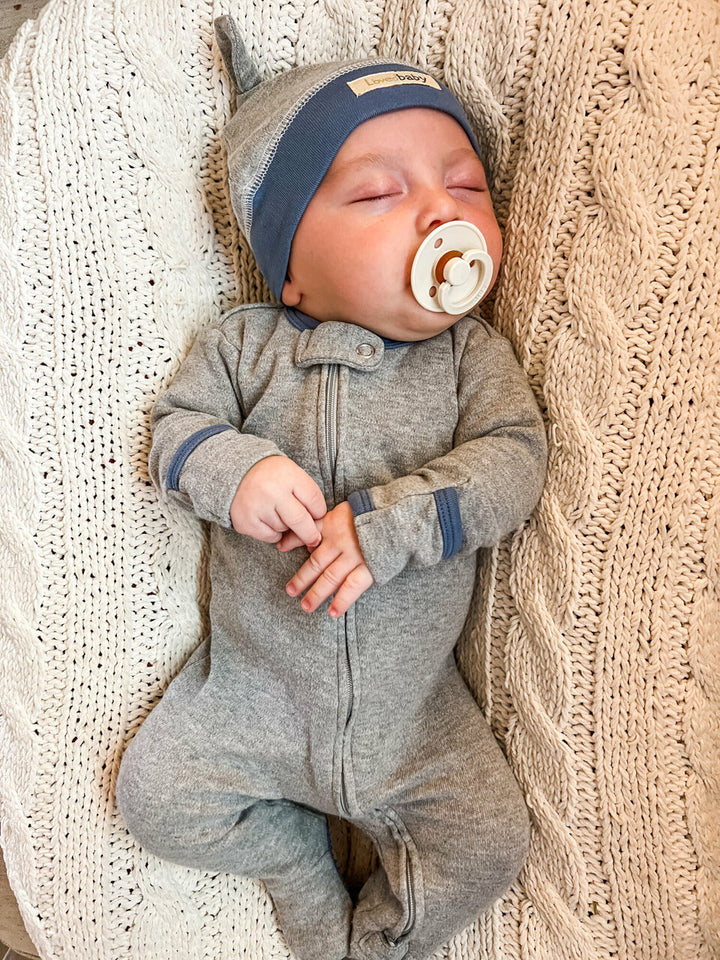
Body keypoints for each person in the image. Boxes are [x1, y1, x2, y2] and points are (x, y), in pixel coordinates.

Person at [116, 16, 547, 960]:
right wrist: (238, 472)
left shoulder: (471, 361)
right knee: (151, 798)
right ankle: (297, 862)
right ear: (293, 275)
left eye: (466, 185)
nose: (445, 213)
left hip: (415, 720)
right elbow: (173, 437)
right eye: (382, 193)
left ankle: (384, 941)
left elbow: (514, 463)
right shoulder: (247, 345)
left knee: (492, 842)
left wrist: (391, 526)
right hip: (251, 700)